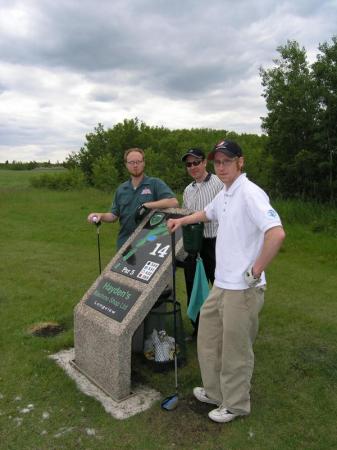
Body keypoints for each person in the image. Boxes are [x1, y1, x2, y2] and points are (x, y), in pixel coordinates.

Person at [167, 139, 285, 424]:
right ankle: (214, 391)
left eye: (227, 161)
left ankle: (235, 404)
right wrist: (181, 221)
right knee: (207, 336)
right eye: (218, 162)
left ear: (240, 162)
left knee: (236, 349)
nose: (221, 166)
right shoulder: (226, 193)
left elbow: (276, 233)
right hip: (221, 284)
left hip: (243, 289)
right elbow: (207, 213)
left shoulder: (250, 193)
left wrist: (255, 271)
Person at [88, 147, 179, 249]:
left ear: (143, 163)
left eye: (138, 161)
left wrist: (147, 205)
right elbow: (113, 216)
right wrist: (100, 215)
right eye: (131, 162)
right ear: (126, 165)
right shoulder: (121, 189)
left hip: (149, 243)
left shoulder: (155, 183)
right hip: (125, 244)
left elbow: (174, 202)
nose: (135, 165)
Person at [181, 148, 223, 337]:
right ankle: (198, 329)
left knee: (219, 287)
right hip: (193, 245)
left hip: (214, 242)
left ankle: (222, 329)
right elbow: (186, 215)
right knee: (193, 286)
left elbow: (224, 211)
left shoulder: (218, 183)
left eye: (196, 162)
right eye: (189, 164)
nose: (193, 167)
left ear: (205, 162)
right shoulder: (188, 190)